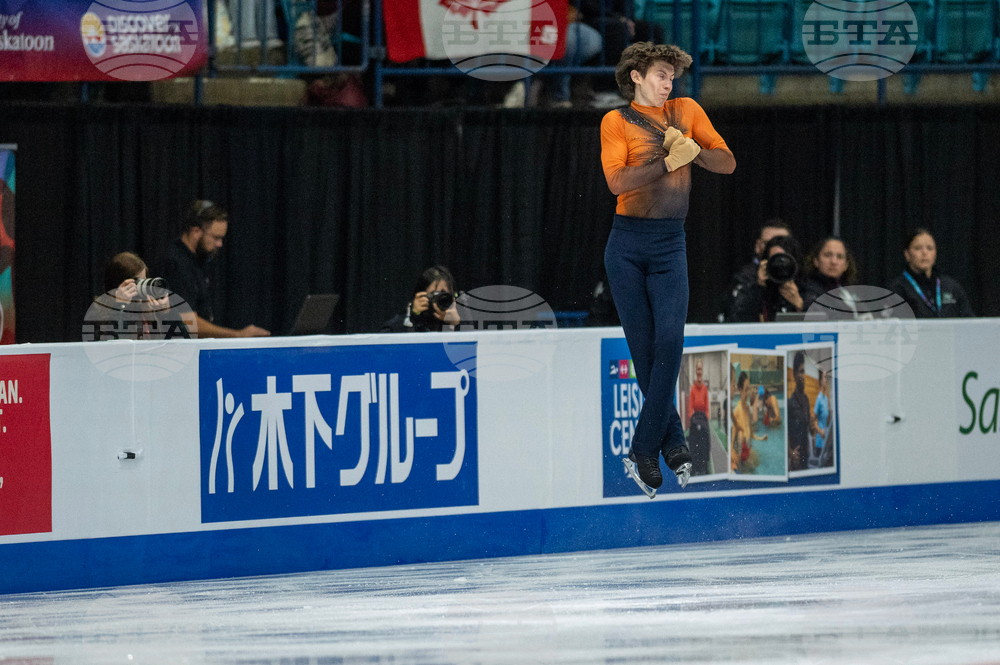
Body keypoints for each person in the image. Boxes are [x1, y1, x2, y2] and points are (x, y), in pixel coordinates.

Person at [600, 41, 736, 490]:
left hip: (669, 245)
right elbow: (616, 180)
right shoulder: (616, 121)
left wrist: (693, 150)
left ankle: (643, 448)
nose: (668, 83)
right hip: (626, 247)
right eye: (660, 75)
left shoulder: (687, 110)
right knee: (646, 354)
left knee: (671, 343)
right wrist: (666, 163)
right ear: (636, 76)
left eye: (671, 77)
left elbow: (727, 163)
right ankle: (673, 442)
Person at [160, 200, 270, 339]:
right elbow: (187, 322)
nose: (220, 244)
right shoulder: (176, 263)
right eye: (216, 237)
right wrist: (237, 335)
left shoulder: (196, 261)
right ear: (196, 231)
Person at [85, 252, 187, 341]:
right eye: (138, 282)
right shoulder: (98, 312)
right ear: (120, 285)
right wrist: (121, 306)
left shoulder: (150, 310)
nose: (142, 286)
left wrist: (167, 313)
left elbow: (184, 343)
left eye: (144, 280)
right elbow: (112, 345)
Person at [888, 228, 974, 318]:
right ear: (907, 254)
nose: (924, 253)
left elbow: (969, 321)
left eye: (929, 248)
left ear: (935, 253)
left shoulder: (951, 287)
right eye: (918, 248)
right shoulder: (898, 289)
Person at [724, 219, 790, 321]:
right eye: (768, 243)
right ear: (757, 246)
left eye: (782, 243)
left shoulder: (802, 275)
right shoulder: (744, 277)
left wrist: (800, 305)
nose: (775, 249)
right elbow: (734, 318)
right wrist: (758, 287)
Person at [727, 235, 805, 322]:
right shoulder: (752, 286)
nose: (780, 266)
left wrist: (800, 305)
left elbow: (819, 326)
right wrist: (758, 287)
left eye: (784, 260)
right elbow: (737, 320)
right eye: (775, 259)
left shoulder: (807, 287)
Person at [380, 265, 460, 333]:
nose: (438, 299)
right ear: (420, 295)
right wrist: (413, 317)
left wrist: (456, 324)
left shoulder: (462, 318)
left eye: (443, 295)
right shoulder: (406, 321)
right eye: (433, 294)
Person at [801, 237, 858, 313]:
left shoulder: (848, 293)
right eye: (827, 255)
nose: (833, 262)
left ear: (846, 265)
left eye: (839, 257)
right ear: (816, 261)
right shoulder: (807, 290)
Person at [730, 371, 765, 474]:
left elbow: (751, 434)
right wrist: (732, 451)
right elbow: (732, 439)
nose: (748, 392)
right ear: (740, 390)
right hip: (741, 455)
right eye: (746, 390)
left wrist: (760, 438)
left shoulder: (749, 410)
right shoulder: (737, 410)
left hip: (748, 451)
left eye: (749, 389)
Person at [686, 358, 711, 476]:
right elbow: (690, 407)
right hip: (695, 419)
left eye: (701, 369)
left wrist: (706, 420)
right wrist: (693, 421)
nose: (699, 371)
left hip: (703, 418)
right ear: (696, 371)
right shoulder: (692, 389)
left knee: (705, 444)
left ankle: (704, 467)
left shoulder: (705, 389)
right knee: (694, 444)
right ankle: (695, 467)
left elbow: (707, 407)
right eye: (698, 369)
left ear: (702, 370)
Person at [787, 351, 810, 472]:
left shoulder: (806, 400)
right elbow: (785, 433)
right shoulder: (790, 403)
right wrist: (790, 453)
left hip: (806, 458)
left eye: (804, 371)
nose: (803, 375)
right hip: (796, 462)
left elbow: (808, 426)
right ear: (795, 375)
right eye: (800, 371)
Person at [812, 369, 832, 468]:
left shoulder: (826, 398)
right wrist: (820, 431)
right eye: (824, 377)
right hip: (820, 442)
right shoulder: (819, 399)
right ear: (820, 381)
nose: (826, 380)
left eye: (826, 378)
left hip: (826, 441)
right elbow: (813, 421)